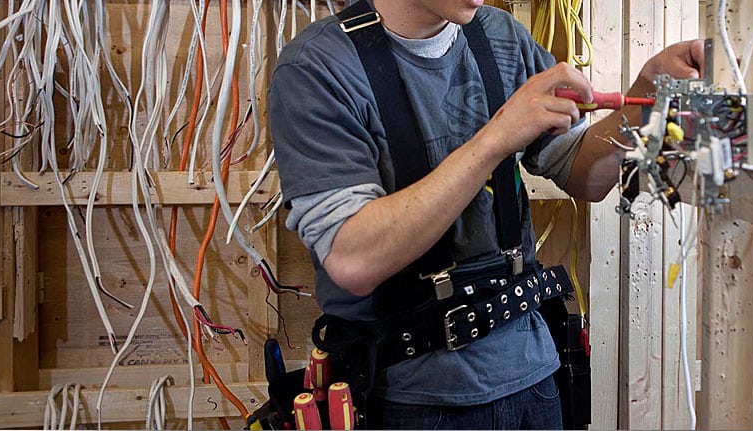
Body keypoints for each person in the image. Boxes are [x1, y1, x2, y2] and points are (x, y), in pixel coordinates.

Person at [268, 0, 703, 428]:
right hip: (410, 398)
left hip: (534, 377)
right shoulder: (317, 67)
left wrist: (643, 103)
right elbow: (353, 259)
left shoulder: (500, 35)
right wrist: (497, 136)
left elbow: (585, 176)